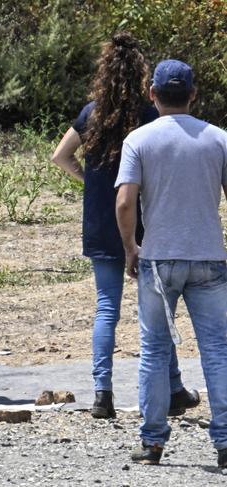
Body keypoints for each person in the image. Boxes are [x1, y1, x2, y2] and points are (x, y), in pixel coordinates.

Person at [51, 33, 199, 419]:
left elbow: (60, 156)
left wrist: (90, 182)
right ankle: (173, 387)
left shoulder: (91, 113)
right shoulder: (149, 115)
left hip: (101, 219)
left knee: (106, 308)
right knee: (156, 308)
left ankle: (102, 393)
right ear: (142, 78)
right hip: (143, 221)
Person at [115, 59, 227, 467]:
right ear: (194, 94)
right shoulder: (218, 138)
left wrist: (131, 246)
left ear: (152, 94)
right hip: (209, 257)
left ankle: (153, 443)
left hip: (159, 258)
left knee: (155, 350)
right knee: (217, 350)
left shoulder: (139, 140)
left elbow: (125, 200)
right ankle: (226, 442)